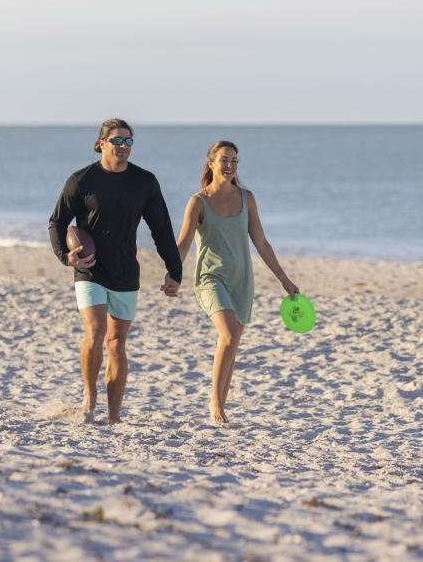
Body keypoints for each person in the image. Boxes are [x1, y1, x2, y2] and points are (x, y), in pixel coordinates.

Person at [48, 118, 182, 424]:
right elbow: (57, 222)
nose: (123, 147)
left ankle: (114, 415)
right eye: (117, 141)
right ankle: (88, 398)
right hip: (90, 268)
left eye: (128, 141)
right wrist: (66, 257)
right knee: (95, 332)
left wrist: (174, 270)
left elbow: (161, 228)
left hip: (125, 272)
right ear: (101, 144)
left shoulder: (144, 182)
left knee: (117, 342)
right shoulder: (81, 181)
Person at [173, 141, 300, 424]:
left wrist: (284, 280)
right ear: (210, 163)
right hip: (210, 278)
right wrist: (173, 274)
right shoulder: (198, 201)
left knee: (231, 343)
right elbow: (182, 244)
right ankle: (216, 406)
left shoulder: (247, 197)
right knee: (229, 335)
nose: (229, 165)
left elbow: (262, 243)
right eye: (223, 160)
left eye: (234, 160)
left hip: (242, 280)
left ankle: (221, 404)